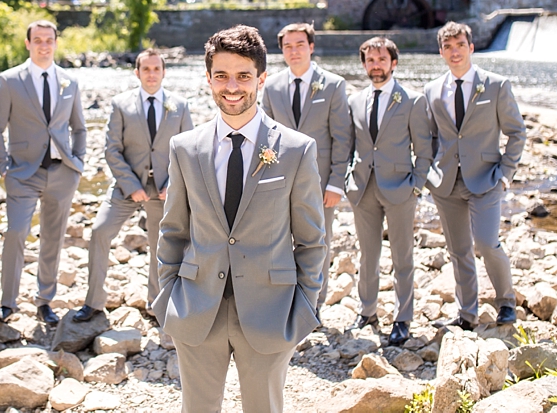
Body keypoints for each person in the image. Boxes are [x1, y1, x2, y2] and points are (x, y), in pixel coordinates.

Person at [153, 25, 326, 413]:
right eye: (222, 76)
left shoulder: (297, 150)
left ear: (262, 79)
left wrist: (305, 307)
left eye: (244, 76)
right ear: (208, 78)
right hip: (196, 308)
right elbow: (173, 231)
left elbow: (311, 240)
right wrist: (167, 297)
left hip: (271, 311)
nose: (232, 87)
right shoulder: (184, 148)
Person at [73, 49, 193, 323]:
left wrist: (173, 183)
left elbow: (187, 150)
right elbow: (112, 150)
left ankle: (156, 302)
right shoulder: (120, 104)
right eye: (146, 69)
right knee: (99, 231)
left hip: (164, 190)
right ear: (137, 72)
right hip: (127, 187)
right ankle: (93, 303)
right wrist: (131, 185)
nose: (151, 74)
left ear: (163, 72)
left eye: (156, 69)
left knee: (160, 245)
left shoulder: (180, 105)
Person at [424, 21, 526, 329]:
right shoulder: (431, 90)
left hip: (486, 178)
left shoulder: (495, 85)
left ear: (471, 47)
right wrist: (428, 172)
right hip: (445, 182)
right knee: (458, 250)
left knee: (486, 242)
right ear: (441, 52)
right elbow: (429, 137)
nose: (454, 52)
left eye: (460, 45)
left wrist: (506, 171)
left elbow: (516, 132)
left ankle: (506, 302)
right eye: (448, 47)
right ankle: (466, 314)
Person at [0, 20, 86, 325]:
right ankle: (8, 303)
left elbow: (79, 127)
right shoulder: (9, 81)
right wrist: (3, 167)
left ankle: (44, 301)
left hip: (61, 172)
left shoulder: (70, 82)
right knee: (16, 232)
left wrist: (78, 162)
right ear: (28, 44)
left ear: (56, 43)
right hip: (22, 173)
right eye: (38, 40)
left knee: (53, 239)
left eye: (49, 40)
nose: (44, 45)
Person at [344, 37, 432, 346]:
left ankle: (402, 318)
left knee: (402, 256)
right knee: (367, 255)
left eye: (381, 59)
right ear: (364, 64)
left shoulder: (413, 100)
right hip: (362, 189)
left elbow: (424, 149)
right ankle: (367, 310)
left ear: (393, 63)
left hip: (400, 189)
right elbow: (349, 145)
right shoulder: (355, 100)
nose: (376, 65)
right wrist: (346, 181)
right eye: (370, 60)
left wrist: (416, 186)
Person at [261, 22, 350, 306]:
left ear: (311, 47)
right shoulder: (272, 86)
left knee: (316, 243)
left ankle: (313, 303)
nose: (294, 51)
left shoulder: (333, 84)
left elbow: (342, 137)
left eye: (300, 44)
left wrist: (336, 181)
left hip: (322, 181)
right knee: (277, 242)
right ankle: (284, 300)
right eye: (288, 46)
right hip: (279, 180)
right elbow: (264, 136)